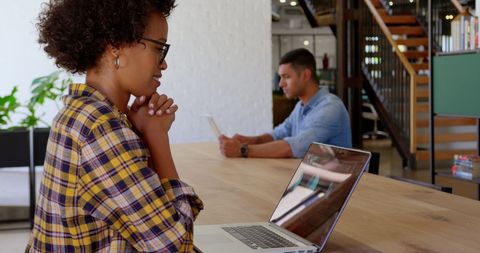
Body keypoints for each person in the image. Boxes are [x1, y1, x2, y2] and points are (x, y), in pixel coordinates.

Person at [26, 0, 203, 252]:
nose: (163, 63)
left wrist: (140, 133)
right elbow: (175, 246)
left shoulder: (80, 111)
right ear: (117, 46)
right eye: (159, 48)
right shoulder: (99, 128)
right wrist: (156, 136)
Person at [219, 48, 351, 158]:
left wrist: (243, 150)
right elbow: (278, 134)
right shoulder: (300, 106)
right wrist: (250, 140)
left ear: (305, 75)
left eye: (286, 77)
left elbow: (294, 147)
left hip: (335, 184)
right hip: (311, 177)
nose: (281, 84)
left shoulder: (331, 107)